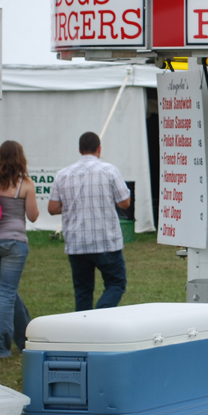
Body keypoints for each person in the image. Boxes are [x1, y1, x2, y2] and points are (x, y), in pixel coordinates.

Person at [48, 132, 131, 311]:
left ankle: (83, 329)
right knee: (116, 284)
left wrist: (74, 204)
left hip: (77, 242)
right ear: (99, 149)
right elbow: (124, 203)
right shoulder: (109, 170)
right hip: (106, 240)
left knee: (83, 291)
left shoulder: (63, 174)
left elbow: (52, 208)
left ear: (79, 150)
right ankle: (99, 316)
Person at [0, 141, 39, 358]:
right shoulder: (26, 184)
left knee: (7, 290)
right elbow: (32, 216)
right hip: (15, 243)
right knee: (6, 293)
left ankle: (24, 338)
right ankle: (0, 348)